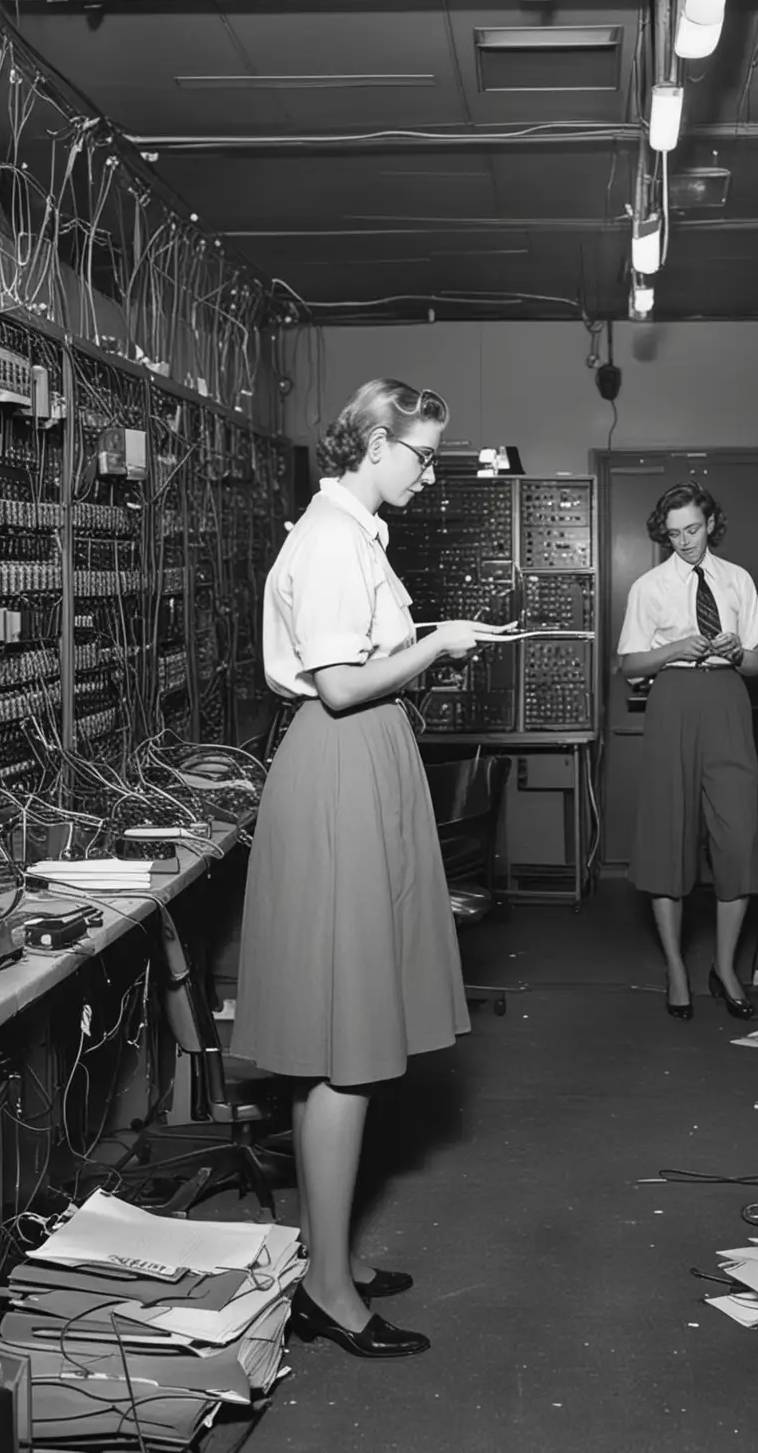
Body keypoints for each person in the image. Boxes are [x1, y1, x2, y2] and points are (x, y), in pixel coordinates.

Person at [235, 378, 513, 1360]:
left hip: (364, 763)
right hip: (344, 762)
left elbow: (363, 667)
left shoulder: (354, 536)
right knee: (344, 1050)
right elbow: (345, 685)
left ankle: (329, 1261)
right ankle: (327, 1294)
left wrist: (435, 651)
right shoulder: (328, 539)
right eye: (422, 454)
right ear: (372, 443)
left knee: (344, 1045)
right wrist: (435, 642)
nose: (430, 474)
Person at [616, 480, 758, 1021]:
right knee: (667, 834)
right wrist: (674, 649)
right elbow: (628, 666)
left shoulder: (737, 580)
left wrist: (736, 650)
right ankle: (676, 968)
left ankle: (725, 967)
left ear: (711, 524)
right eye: (674, 532)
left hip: (728, 700)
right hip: (673, 701)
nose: (684, 541)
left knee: (737, 836)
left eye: (693, 529)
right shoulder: (649, 586)